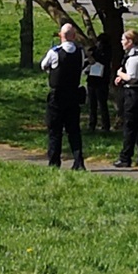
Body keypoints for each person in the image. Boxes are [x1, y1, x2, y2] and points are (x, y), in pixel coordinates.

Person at [40, 23, 86, 170]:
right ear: (74, 36)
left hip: (57, 96)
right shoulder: (80, 52)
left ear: (61, 35)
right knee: (74, 130)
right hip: (73, 95)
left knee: (55, 130)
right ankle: (78, 161)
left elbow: (43, 65)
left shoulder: (54, 53)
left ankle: (54, 161)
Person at [113, 29, 138, 168]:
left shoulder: (134, 58)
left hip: (135, 94)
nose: (121, 42)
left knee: (130, 126)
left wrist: (120, 74)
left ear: (130, 42)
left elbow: (132, 78)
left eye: (123, 40)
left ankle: (125, 157)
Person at [85, 33, 112, 132]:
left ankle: (104, 125)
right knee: (94, 104)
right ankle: (93, 124)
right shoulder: (94, 50)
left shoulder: (106, 52)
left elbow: (102, 60)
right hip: (94, 79)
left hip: (101, 80)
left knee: (101, 104)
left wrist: (92, 58)